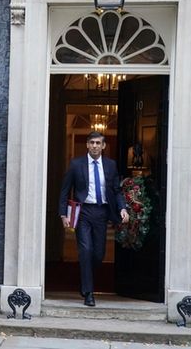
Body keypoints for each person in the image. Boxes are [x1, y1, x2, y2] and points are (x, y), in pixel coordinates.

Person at [59, 131, 129, 307]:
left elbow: (116, 190)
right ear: (87, 145)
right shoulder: (76, 164)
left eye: (98, 143)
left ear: (103, 146)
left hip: (102, 213)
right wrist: (63, 214)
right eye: (92, 143)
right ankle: (89, 292)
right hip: (83, 212)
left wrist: (122, 208)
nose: (95, 146)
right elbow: (65, 190)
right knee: (85, 250)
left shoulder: (110, 165)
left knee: (98, 254)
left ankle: (85, 279)